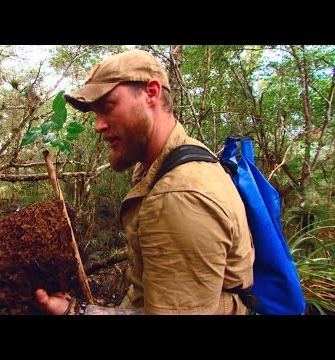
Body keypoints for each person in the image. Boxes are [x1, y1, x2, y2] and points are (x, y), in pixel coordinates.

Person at [34, 49, 255, 315]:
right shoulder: (169, 161)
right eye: (95, 113)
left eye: (107, 108)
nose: (97, 125)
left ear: (151, 92)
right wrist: (75, 310)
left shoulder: (178, 197)